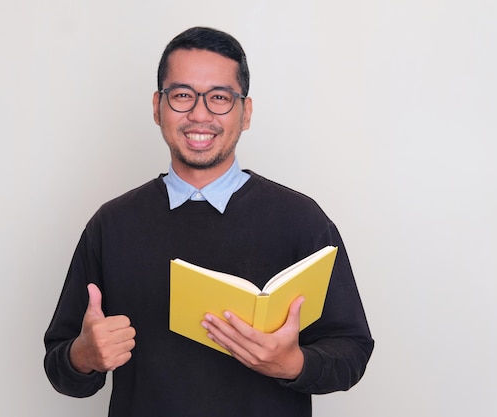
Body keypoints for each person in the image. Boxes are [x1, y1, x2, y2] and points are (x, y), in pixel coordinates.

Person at [44, 26, 374, 416]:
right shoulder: (111, 224)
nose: (200, 114)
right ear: (157, 107)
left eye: (219, 97)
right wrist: (83, 356)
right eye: (182, 95)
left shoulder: (301, 220)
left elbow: (352, 350)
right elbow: (60, 363)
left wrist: (293, 364)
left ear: (245, 112)